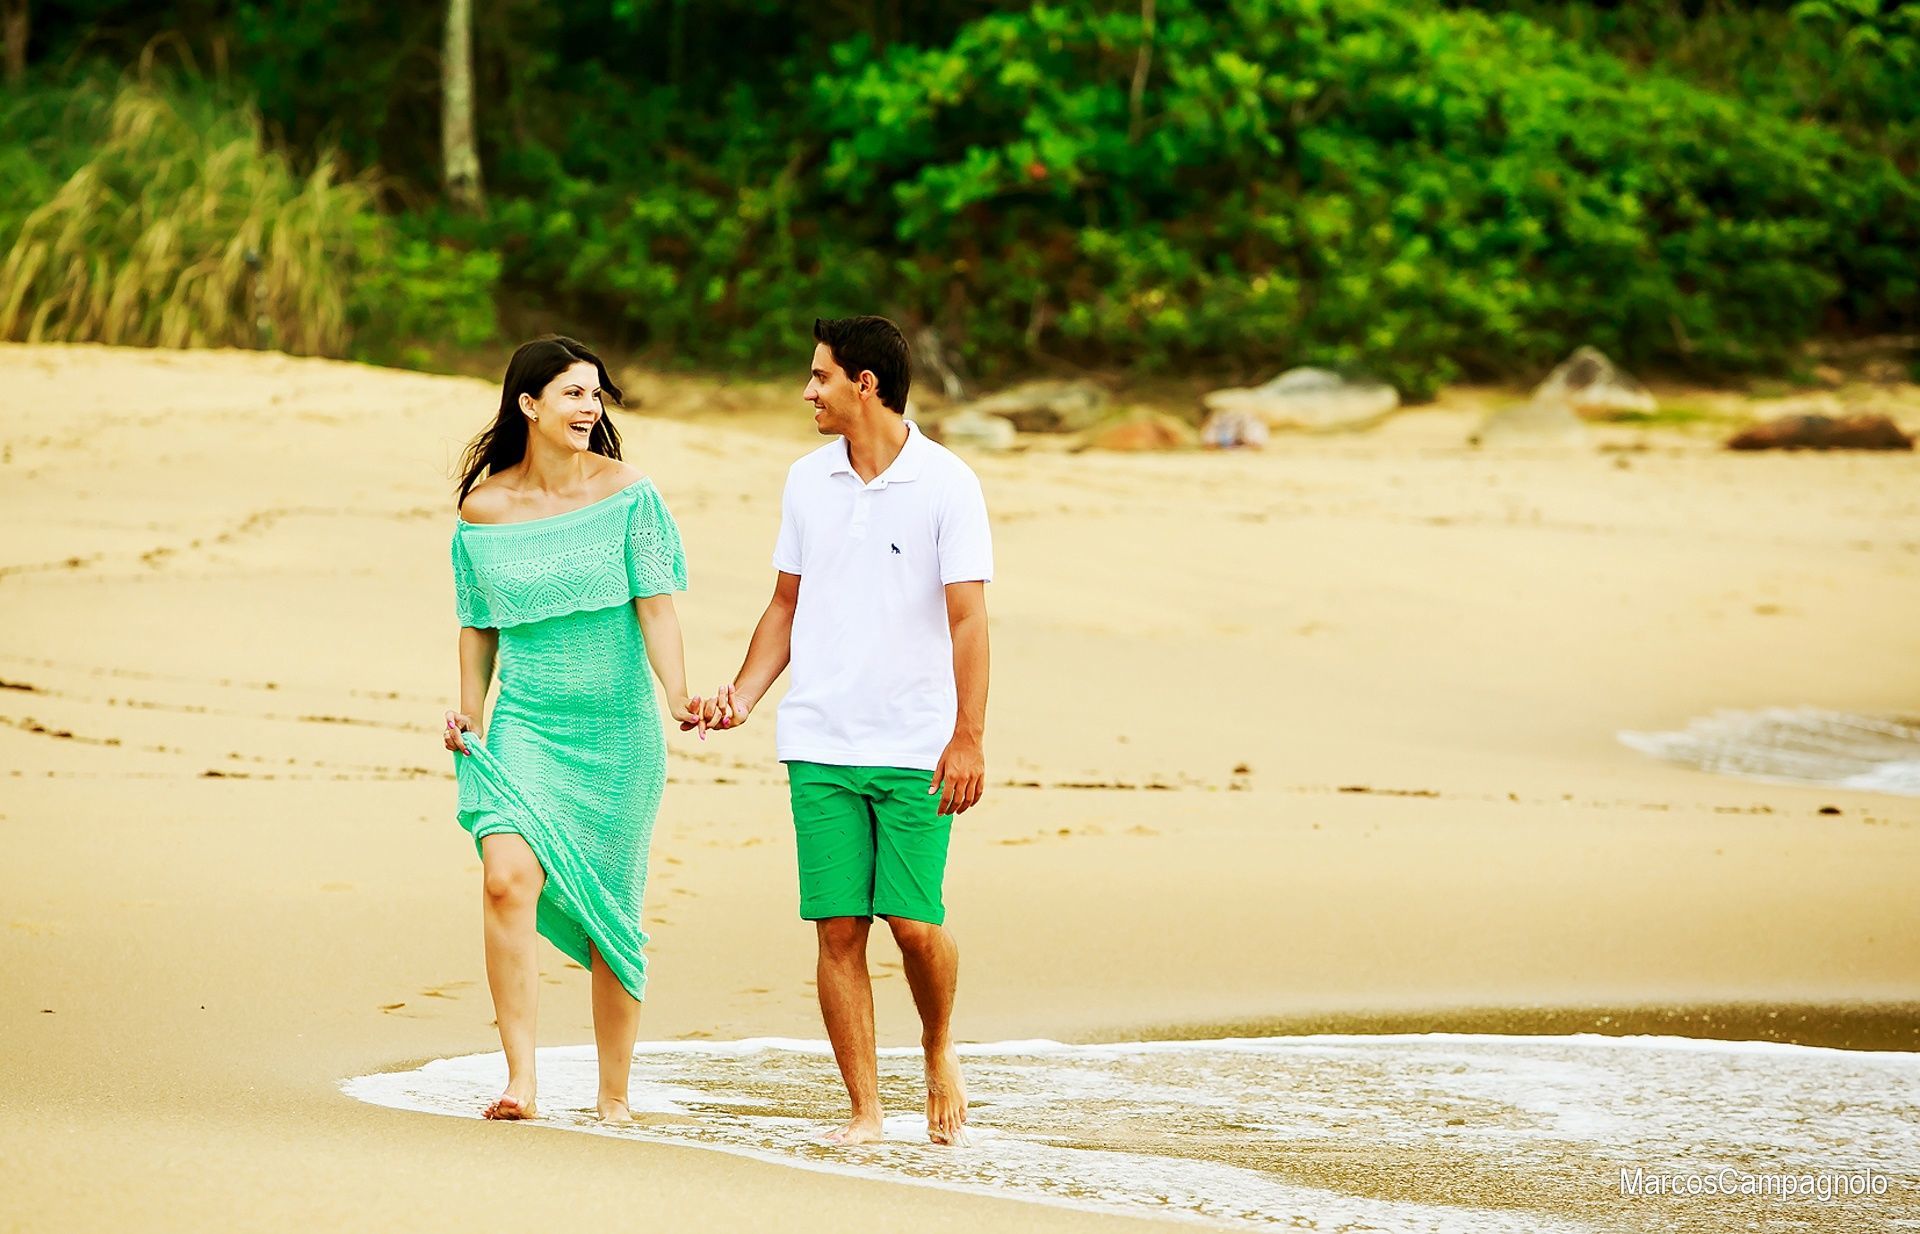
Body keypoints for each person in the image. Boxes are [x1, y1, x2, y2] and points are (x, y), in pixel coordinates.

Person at [695, 315, 992, 1146]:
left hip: (916, 744)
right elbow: (786, 603)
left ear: (865, 384)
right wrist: (746, 696)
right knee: (838, 930)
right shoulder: (805, 481)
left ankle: (937, 1044)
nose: (807, 392)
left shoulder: (948, 483)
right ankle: (865, 1112)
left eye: (820, 376)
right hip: (819, 740)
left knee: (914, 925)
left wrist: (967, 736)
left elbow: (969, 620)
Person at [443, 335, 705, 1124]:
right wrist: (471, 711)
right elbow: (477, 623)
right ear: (529, 404)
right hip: (527, 724)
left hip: (618, 732)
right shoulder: (482, 510)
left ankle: (613, 1097)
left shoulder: (629, 495)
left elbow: (656, 607)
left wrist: (680, 694)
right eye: (573, 394)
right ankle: (521, 1078)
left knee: (608, 914)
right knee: (505, 878)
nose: (590, 408)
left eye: (596, 395)